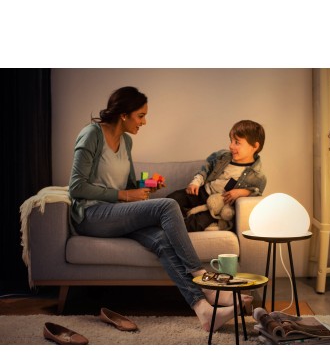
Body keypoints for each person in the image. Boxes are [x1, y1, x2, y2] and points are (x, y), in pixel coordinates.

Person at [68, 86, 245, 332]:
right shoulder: (91, 135)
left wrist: (147, 185)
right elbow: (76, 187)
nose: (144, 122)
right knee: (168, 205)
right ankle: (202, 278)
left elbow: (129, 186)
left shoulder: (126, 141)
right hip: (92, 216)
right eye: (140, 116)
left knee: (161, 240)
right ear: (124, 115)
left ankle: (203, 311)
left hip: (117, 214)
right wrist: (123, 195)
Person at [167, 119, 267, 232]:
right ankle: (170, 219)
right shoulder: (223, 157)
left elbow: (257, 192)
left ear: (254, 146)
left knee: (196, 223)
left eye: (237, 142)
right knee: (173, 199)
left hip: (218, 206)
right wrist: (196, 182)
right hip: (203, 192)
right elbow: (207, 168)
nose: (231, 146)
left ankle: (173, 229)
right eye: (231, 141)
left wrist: (244, 192)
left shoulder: (257, 176)